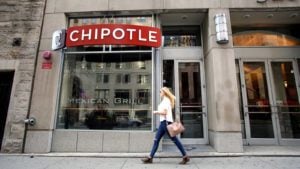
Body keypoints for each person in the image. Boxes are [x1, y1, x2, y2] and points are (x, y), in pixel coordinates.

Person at [141, 87, 190, 164]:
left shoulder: (166, 101)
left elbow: (165, 113)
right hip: (163, 123)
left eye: (160, 91)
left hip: (165, 123)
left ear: (164, 92)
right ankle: (150, 157)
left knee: (174, 140)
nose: (159, 93)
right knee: (156, 140)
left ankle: (185, 156)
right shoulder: (165, 100)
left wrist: (156, 112)